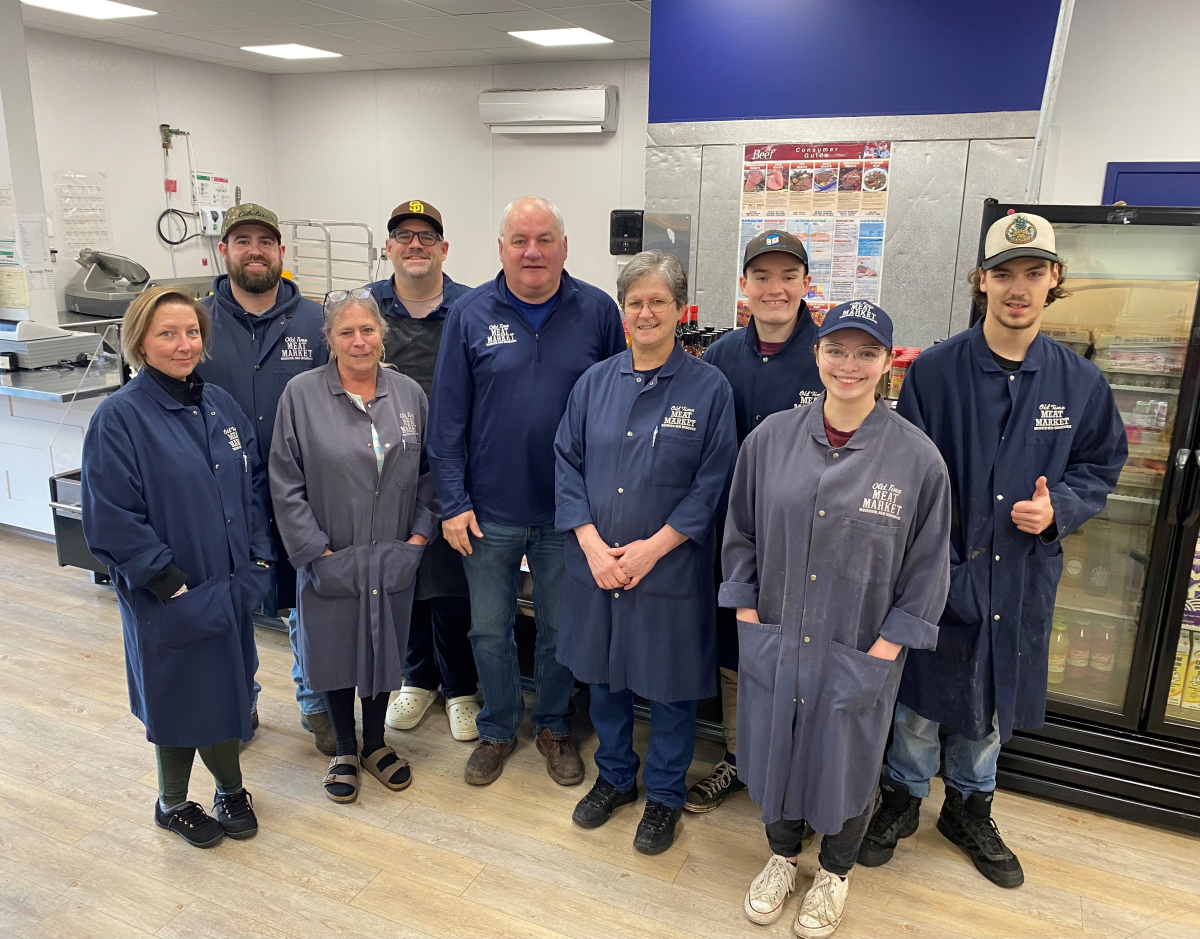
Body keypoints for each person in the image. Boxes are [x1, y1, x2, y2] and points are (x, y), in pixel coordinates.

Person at [859, 213, 1127, 888]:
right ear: (981, 281)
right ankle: (902, 799)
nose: (1017, 288)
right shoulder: (937, 373)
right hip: (941, 573)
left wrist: (1058, 508)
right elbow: (902, 471)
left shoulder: (1079, 383)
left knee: (991, 701)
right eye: (1003, 273)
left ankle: (971, 807)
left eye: (1033, 273)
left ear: (1054, 280)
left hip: (1021, 578)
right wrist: (928, 565)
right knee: (920, 703)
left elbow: (1100, 465)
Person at [722, 300, 951, 937]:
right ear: (817, 354)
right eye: (837, 350)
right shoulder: (769, 439)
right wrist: (746, 618)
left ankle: (835, 872)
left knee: (847, 763)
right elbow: (739, 534)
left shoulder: (918, 461)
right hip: (775, 636)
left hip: (860, 651)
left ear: (887, 364)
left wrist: (881, 658)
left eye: (866, 353)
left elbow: (928, 569)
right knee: (775, 751)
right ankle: (781, 857)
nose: (850, 365)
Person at [429, 196, 626, 787]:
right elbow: (446, 421)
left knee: (561, 628)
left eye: (544, 239)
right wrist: (453, 502)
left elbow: (619, 410)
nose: (532, 251)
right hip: (488, 510)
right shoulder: (468, 314)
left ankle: (554, 723)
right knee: (489, 628)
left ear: (564, 247)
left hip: (571, 513)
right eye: (519, 239)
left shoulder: (597, 312)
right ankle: (496, 727)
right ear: (501, 249)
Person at [554, 251, 737, 854]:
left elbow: (713, 483)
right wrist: (592, 546)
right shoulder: (593, 383)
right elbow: (567, 465)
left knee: (670, 687)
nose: (647, 312)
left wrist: (651, 550)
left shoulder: (709, 388)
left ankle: (663, 795)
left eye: (659, 300)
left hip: (670, 567)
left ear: (681, 309)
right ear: (623, 310)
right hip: (597, 563)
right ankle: (614, 778)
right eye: (635, 302)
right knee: (605, 677)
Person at [81, 285, 272, 849]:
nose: (183, 344)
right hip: (169, 590)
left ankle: (230, 789)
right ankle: (172, 801)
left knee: (230, 685)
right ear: (140, 341)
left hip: (232, 581)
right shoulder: (120, 419)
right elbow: (111, 515)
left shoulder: (219, 405)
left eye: (191, 332)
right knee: (178, 693)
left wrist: (258, 559)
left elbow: (254, 483)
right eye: (167, 333)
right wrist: (171, 583)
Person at [270, 290, 438, 803]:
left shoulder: (409, 394)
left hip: (392, 552)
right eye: (346, 332)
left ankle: (377, 744)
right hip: (329, 554)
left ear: (381, 334)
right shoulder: (301, 395)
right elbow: (284, 480)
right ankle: (345, 748)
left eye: (367, 330)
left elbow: (431, 474)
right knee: (335, 647)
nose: (359, 341)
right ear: (329, 339)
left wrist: (417, 537)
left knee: (386, 644)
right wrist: (314, 551)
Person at [688, 229, 824, 815]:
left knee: (799, 649)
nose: (775, 288)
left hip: (804, 542)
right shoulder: (719, 357)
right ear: (743, 286)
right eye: (762, 277)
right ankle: (739, 759)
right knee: (735, 648)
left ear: (805, 284)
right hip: (730, 538)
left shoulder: (829, 355)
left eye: (787, 276)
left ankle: (797, 765)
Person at [198, 202, 335, 756]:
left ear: (282, 252)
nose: (254, 250)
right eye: (242, 240)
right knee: (230, 605)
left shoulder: (314, 322)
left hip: (302, 493)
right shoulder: (198, 321)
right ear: (224, 250)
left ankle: (318, 702)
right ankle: (241, 699)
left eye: (265, 241)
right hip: (222, 495)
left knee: (309, 601)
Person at [368, 200, 480, 742]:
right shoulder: (364, 308)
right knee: (405, 574)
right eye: (403, 235)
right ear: (387, 246)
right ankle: (417, 678)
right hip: (386, 472)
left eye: (427, 235)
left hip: (457, 468)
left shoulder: (473, 307)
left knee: (454, 578)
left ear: (444, 247)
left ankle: (462, 687)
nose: (415, 244)